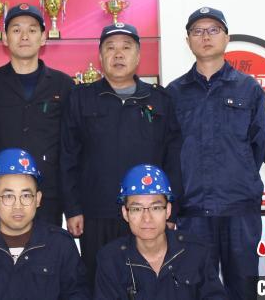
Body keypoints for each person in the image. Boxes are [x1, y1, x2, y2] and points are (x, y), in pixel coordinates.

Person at [61, 22, 183, 285]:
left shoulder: (160, 100)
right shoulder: (81, 99)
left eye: (126, 48)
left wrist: (171, 212)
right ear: (100, 56)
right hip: (96, 214)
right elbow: (68, 157)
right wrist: (72, 209)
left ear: (138, 56)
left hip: (147, 214)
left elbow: (173, 160)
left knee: (148, 282)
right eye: (110, 48)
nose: (118, 54)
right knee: (99, 282)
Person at [166, 7, 265, 300]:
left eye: (213, 30)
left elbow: (259, 144)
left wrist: (237, 176)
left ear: (226, 37)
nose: (206, 37)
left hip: (239, 209)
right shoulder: (174, 92)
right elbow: (169, 151)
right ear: (188, 41)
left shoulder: (249, 88)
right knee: (194, 289)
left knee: (244, 288)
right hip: (193, 210)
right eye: (197, 31)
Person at [0, 3, 74, 226]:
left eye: (32, 30)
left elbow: (68, 144)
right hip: (1, 193)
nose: (24, 36)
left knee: (46, 248)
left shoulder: (63, 84)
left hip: (47, 194)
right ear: (5, 38)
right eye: (16, 30)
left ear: (43, 37)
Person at [0, 148, 89, 299]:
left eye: (26, 195)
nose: (18, 206)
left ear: (38, 199)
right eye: (8, 196)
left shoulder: (61, 245)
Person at [95, 164, 227, 300]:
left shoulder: (195, 252)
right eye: (137, 209)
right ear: (125, 213)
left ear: (168, 210)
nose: (147, 218)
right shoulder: (111, 261)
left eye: (156, 208)